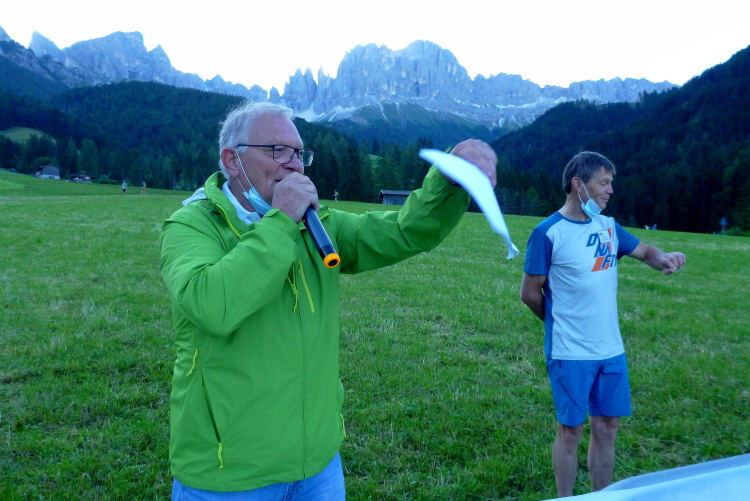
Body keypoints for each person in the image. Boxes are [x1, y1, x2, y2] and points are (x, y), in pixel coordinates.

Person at [160, 101, 497, 499]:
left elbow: (403, 232)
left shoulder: (317, 224)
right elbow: (212, 306)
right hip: (229, 473)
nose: (294, 165)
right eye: (278, 151)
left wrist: (447, 181)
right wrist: (282, 222)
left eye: (299, 153)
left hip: (317, 464)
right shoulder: (192, 225)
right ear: (233, 160)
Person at [520, 151, 686, 498]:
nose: (610, 190)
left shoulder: (608, 226)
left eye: (611, 183)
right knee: (571, 431)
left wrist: (664, 258)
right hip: (570, 353)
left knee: (608, 426)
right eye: (604, 182)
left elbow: (645, 251)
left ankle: (601, 496)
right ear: (578, 184)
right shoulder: (548, 233)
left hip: (611, 350)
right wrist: (560, 324)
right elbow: (530, 294)